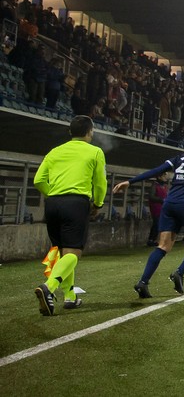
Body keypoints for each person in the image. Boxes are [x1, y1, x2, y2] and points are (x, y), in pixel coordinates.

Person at [113, 130, 184, 298]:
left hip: (169, 203)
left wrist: (130, 181)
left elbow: (157, 170)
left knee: (163, 246)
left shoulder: (180, 158)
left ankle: (143, 282)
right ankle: (179, 272)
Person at [33, 116, 107, 315]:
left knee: (63, 251)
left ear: (70, 132)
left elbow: (38, 180)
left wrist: (53, 194)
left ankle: (70, 297)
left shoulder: (55, 151)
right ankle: (48, 287)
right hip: (76, 203)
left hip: (53, 203)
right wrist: (98, 203)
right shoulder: (95, 151)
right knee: (74, 252)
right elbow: (100, 183)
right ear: (89, 132)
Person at [146, 170, 171, 246]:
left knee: (159, 223)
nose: (165, 178)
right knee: (156, 223)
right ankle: (151, 239)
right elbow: (151, 197)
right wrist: (161, 200)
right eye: (164, 176)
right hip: (156, 207)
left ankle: (154, 239)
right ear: (159, 177)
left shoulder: (164, 186)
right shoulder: (155, 185)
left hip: (163, 207)